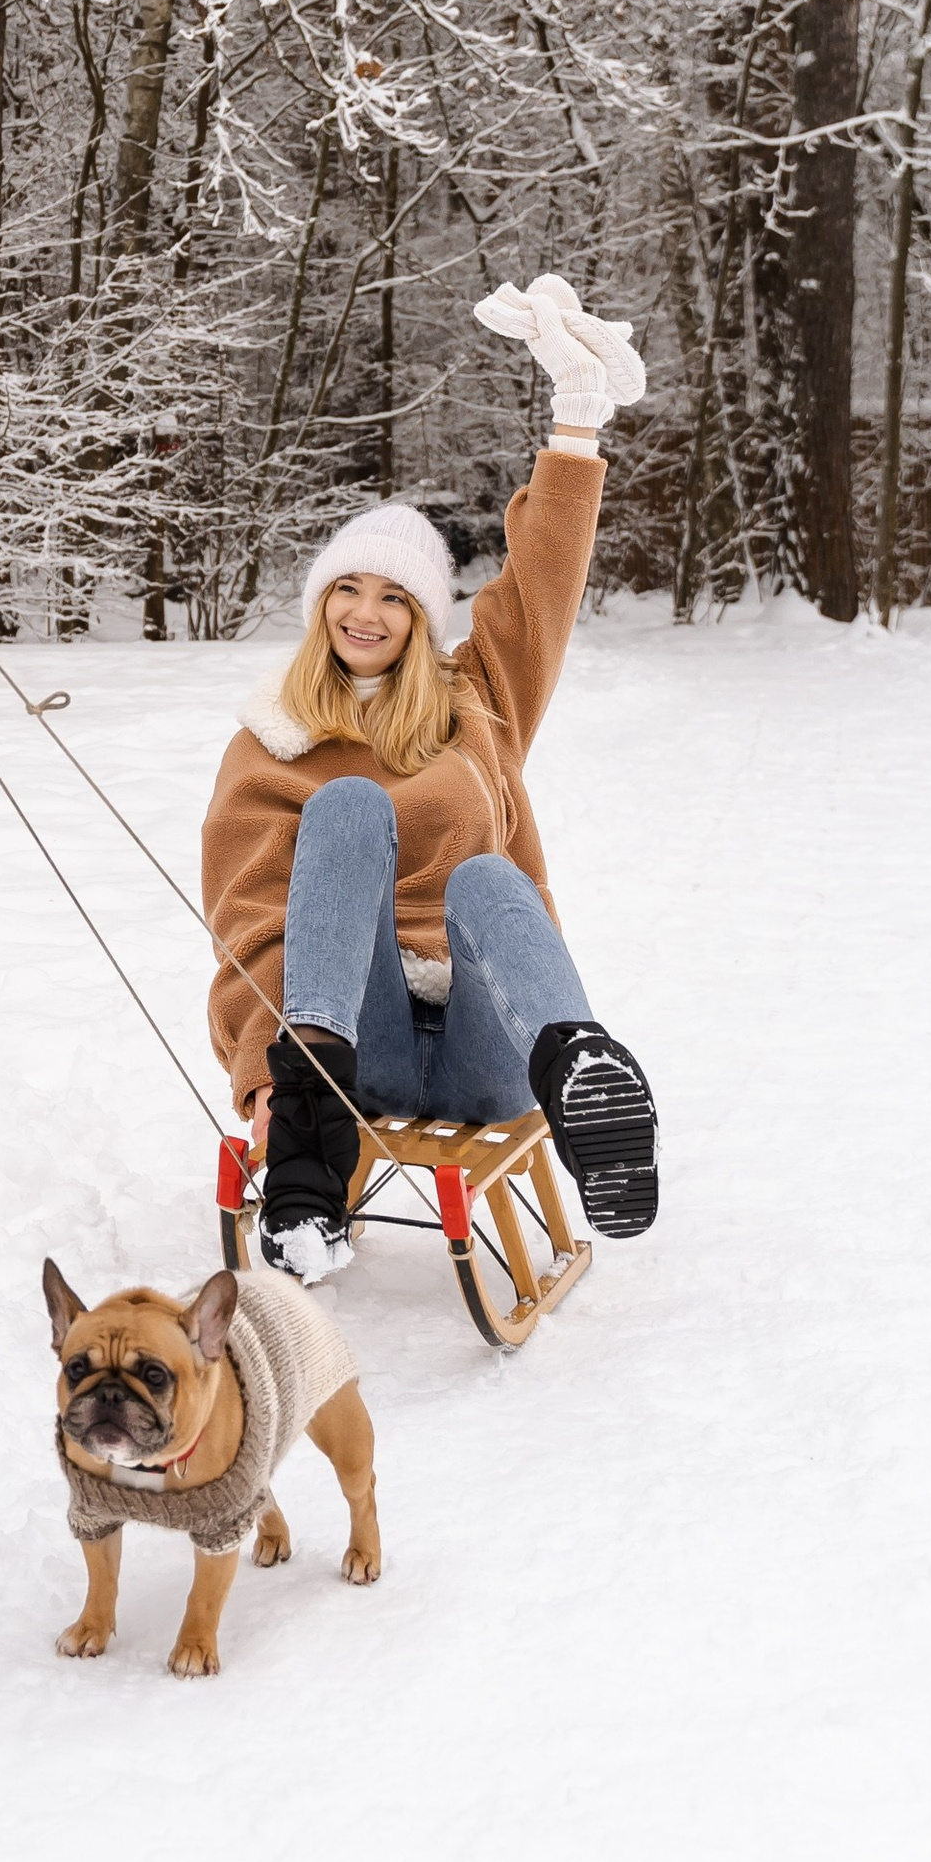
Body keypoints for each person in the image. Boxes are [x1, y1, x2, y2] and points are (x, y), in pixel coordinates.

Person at [202, 275, 660, 1282]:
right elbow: (248, 929)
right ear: (321, 606)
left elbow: (541, 584)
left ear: (424, 620)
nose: (365, 614)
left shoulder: (474, 702)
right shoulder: (268, 745)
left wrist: (576, 422)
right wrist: (260, 1083)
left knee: (489, 880)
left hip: (484, 1044)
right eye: (345, 592)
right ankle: (310, 1123)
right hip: (346, 1047)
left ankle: (581, 1064)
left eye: (393, 599)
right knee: (349, 806)